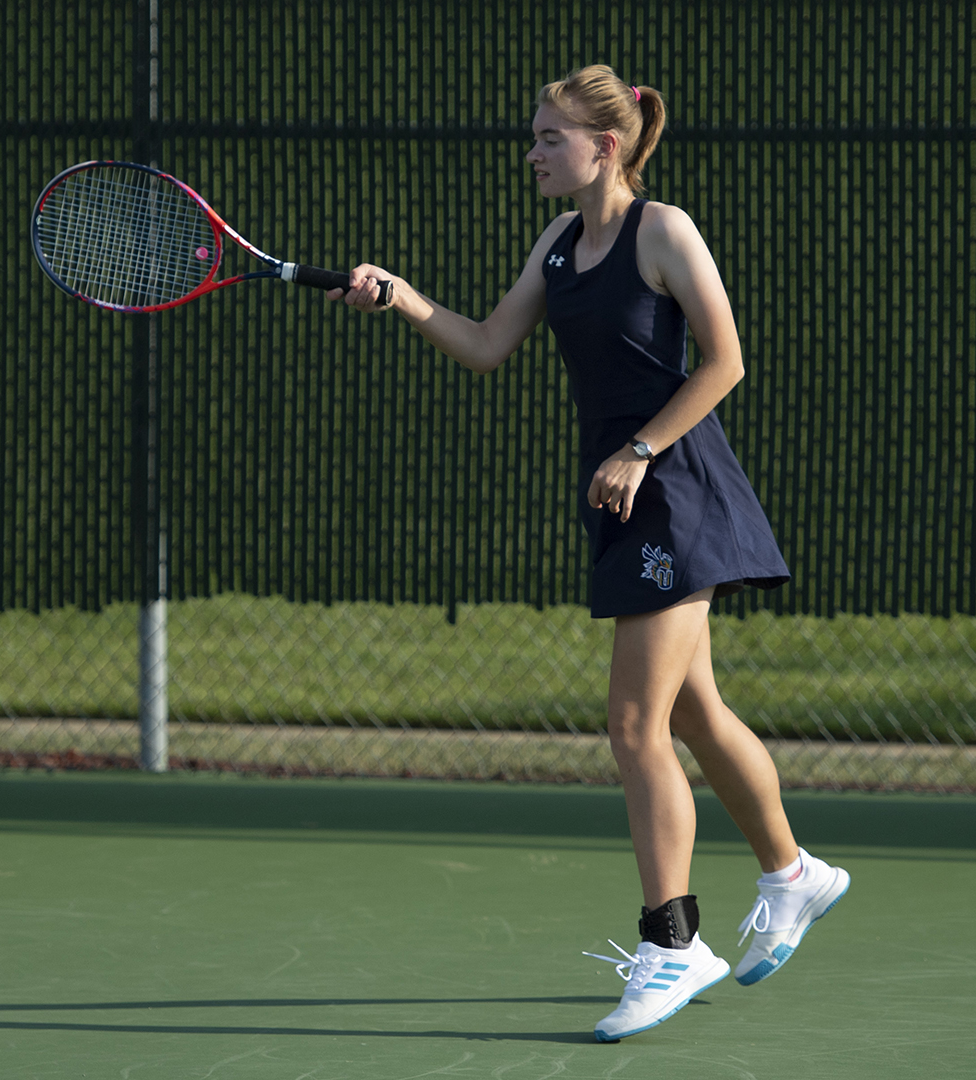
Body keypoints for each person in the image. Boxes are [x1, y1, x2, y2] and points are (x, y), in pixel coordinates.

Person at [330, 64, 848, 1043]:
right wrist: (398, 295)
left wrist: (640, 451)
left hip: (675, 491)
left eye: (549, 138)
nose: (531, 152)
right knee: (692, 713)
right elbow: (487, 344)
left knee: (632, 722)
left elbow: (726, 361)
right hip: (621, 495)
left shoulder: (664, 231)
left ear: (605, 147)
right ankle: (795, 874)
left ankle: (673, 942)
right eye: (534, 136)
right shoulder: (560, 244)